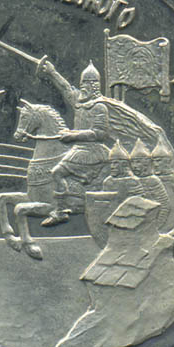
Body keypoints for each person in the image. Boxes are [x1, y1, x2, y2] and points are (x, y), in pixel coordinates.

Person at [36, 59, 110, 226]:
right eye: (82, 83)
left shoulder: (99, 107)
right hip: (78, 148)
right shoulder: (79, 100)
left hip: (93, 151)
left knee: (57, 172)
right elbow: (65, 88)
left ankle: (61, 211)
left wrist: (73, 135)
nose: (83, 87)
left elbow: (100, 133)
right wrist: (52, 72)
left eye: (87, 83)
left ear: (95, 85)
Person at [129, 138, 170, 229]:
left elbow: (165, 206)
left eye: (138, 162)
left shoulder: (153, 181)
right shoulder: (130, 180)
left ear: (146, 163)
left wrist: (156, 227)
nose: (134, 166)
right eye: (132, 162)